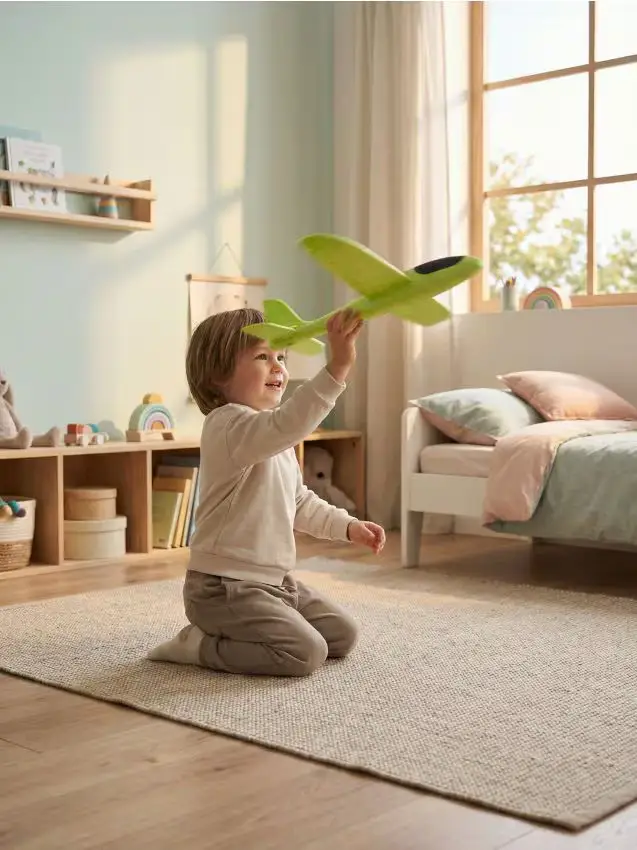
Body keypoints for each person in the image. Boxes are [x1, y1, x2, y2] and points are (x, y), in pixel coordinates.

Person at [148, 306, 385, 676]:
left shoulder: (275, 440)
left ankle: (248, 628)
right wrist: (337, 369)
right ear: (216, 376)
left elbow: (300, 502)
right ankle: (200, 645)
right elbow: (288, 423)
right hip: (221, 588)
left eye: (281, 356)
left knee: (342, 636)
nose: (278, 366)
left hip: (276, 583)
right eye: (262, 356)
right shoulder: (226, 425)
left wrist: (348, 526)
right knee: (304, 654)